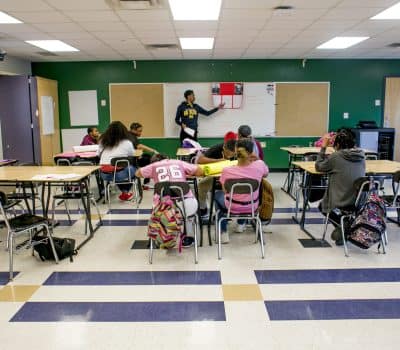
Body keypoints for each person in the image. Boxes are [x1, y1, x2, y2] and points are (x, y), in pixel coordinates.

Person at [136, 154, 204, 247]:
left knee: (156, 207)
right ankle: (187, 237)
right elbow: (200, 171)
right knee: (189, 215)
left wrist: (153, 174)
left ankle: (161, 235)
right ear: (167, 158)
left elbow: (138, 173)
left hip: (163, 211)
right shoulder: (178, 162)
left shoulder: (154, 166)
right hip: (187, 207)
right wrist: (186, 174)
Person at [315, 129, 366, 245]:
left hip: (340, 201)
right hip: (359, 202)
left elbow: (319, 167)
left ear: (337, 144)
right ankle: (347, 224)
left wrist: (323, 147)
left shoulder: (336, 157)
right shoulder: (361, 155)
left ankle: (344, 227)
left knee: (322, 206)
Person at [214, 139, 269, 244]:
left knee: (217, 196)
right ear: (251, 152)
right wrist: (257, 159)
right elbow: (266, 174)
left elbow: (225, 191)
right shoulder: (260, 165)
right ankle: (240, 225)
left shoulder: (227, 170)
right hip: (252, 206)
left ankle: (223, 232)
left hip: (232, 206)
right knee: (246, 195)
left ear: (235, 151)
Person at [196, 139, 237, 218]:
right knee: (201, 185)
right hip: (216, 174)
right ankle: (203, 209)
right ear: (224, 147)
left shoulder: (240, 151)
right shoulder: (216, 148)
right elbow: (200, 160)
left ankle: (232, 209)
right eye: (227, 154)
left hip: (233, 176)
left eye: (231, 155)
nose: (228, 157)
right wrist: (219, 161)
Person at [98, 121, 136, 201]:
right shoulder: (127, 143)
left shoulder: (102, 141)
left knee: (117, 169)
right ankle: (125, 191)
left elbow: (98, 154)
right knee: (132, 169)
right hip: (120, 174)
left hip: (104, 175)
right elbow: (132, 154)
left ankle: (117, 191)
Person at [128, 122, 159, 188]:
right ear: (133, 130)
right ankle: (146, 183)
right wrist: (153, 151)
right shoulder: (131, 136)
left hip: (133, 157)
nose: (140, 133)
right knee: (150, 160)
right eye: (139, 131)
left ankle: (146, 182)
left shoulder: (130, 135)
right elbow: (139, 146)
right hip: (132, 160)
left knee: (148, 157)